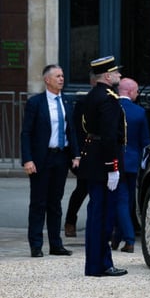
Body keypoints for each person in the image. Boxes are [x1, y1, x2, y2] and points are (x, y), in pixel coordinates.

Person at [20, 64, 79, 257]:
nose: (62, 79)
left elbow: (71, 131)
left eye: (62, 75)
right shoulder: (36, 103)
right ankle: (36, 245)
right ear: (47, 80)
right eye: (58, 76)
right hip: (40, 159)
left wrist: (75, 155)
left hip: (60, 158)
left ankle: (56, 244)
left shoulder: (67, 102)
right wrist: (27, 159)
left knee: (55, 203)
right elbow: (26, 133)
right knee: (38, 202)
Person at [78, 56, 128, 277]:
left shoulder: (92, 96)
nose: (119, 76)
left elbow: (86, 128)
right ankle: (102, 264)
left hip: (93, 160)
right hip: (103, 164)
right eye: (116, 73)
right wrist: (112, 167)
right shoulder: (108, 99)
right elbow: (108, 136)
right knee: (104, 216)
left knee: (96, 214)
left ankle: (94, 264)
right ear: (107, 76)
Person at [111, 77, 150, 253]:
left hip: (115, 159)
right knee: (127, 202)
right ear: (129, 91)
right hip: (133, 162)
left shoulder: (111, 108)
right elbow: (145, 142)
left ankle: (124, 238)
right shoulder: (139, 112)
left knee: (121, 201)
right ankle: (124, 238)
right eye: (135, 91)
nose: (137, 94)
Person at [64, 73, 97, 238]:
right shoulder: (84, 102)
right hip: (84, 154)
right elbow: (76, 131)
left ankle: (96, 223)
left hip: (99, 155)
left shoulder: (111, 100)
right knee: (82, 188)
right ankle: (70, 221)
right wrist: (77, 155)